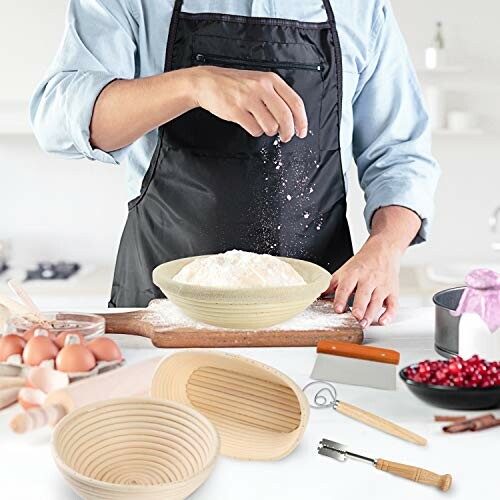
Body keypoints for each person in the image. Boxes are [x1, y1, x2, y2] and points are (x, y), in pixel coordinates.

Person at [31, 0, 439, 328]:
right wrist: (192, 84)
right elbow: (56, 120)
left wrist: (385, 247)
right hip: (165, 315)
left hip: (316, 316)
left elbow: (401, 155)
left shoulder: (362, 8)